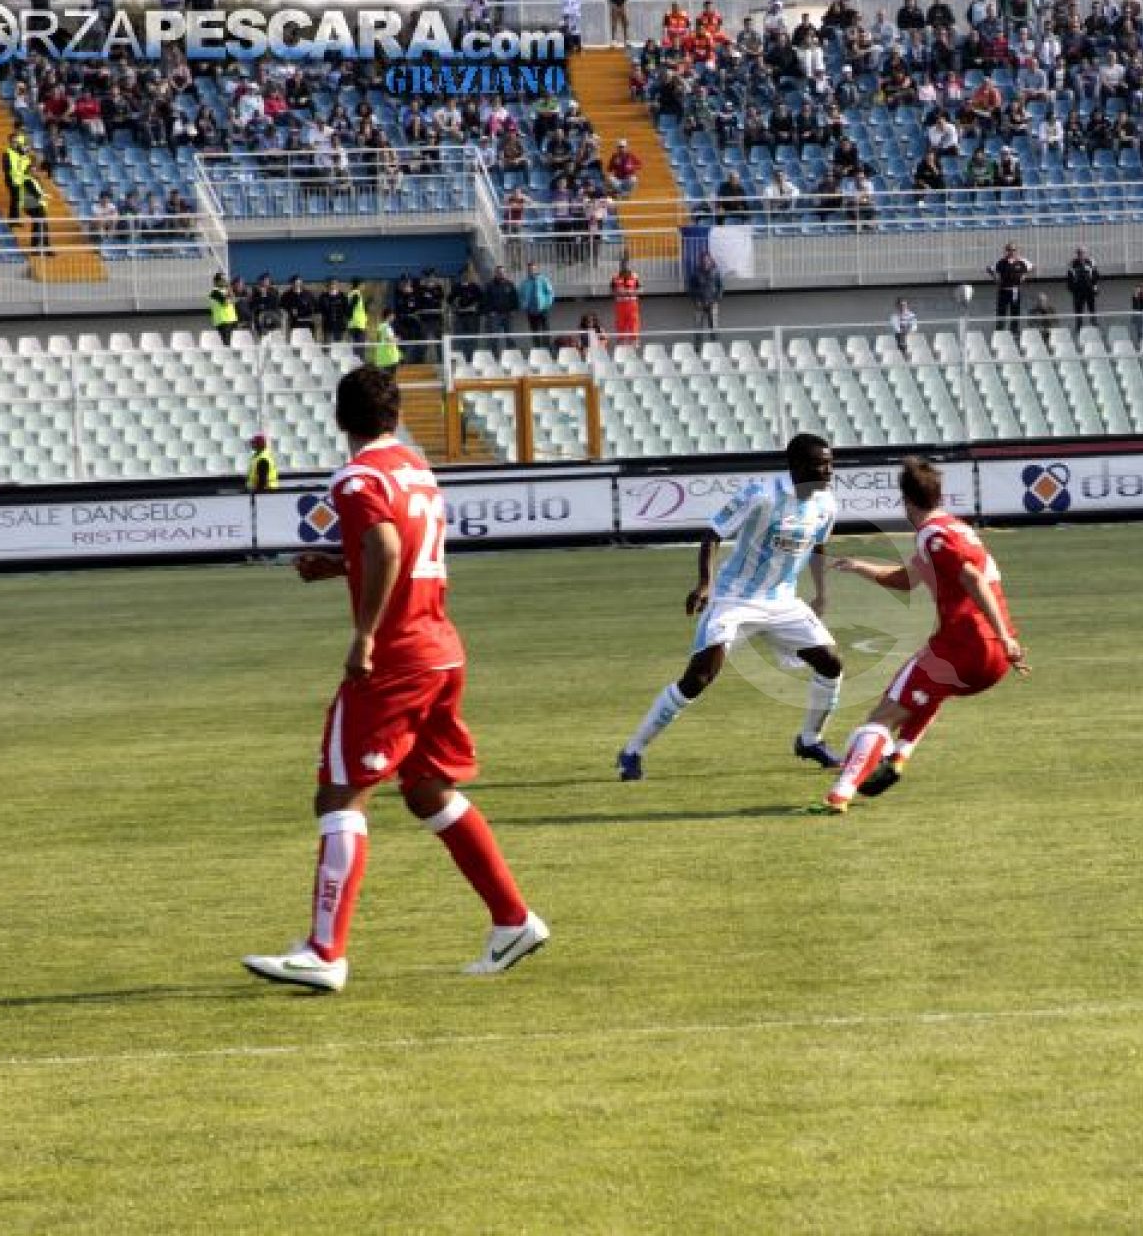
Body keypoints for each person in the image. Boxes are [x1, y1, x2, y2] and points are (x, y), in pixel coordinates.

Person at [242, 366, 549, 993]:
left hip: (399, 657)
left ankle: (324, 952)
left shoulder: (357, 477)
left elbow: (385, 546)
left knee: (340, 795)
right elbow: (403, 547)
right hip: (441, 651)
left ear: (339, 418)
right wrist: (339, 565)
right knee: (427, 791)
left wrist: (365, 636)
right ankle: (513, 920)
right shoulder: (415, 468)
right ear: (396, 416)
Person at [617, 434, 847, 781]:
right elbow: (713, 533)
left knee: (831, 664)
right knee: (699, 678)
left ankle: (810, 740)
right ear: (797, 465)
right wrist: (705, 584)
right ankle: (632, 751)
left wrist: (821, 593)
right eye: (820, 464)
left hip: (782, 602)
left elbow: (817, 546)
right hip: (734, 599)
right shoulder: (761, 494)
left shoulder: (826, 503)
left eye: (830, 464)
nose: (828, 471)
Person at [813, 456, 1026, 815]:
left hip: (965, 646)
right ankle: (899, 755)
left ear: (906, 501)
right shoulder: (954, 529)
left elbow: (972, 578)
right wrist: (859, 566)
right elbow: (906, 579)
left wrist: (1005, 636)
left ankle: (840, 793)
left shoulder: (935, 536)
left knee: (882, 716)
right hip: (991, 660)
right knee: (930, 691)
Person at [988, 241, 1034, 336]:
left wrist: (1025, 275)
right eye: (1009, 250)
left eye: (1013, 250)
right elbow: (989, 269)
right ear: (1006, 251)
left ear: (1016, 250)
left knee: (1015, 312)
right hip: (1003, 290)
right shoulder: (1001, 262)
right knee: (1001, 312)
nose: (1011, 252)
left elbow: (1032, 267)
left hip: (1015, 290)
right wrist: (995, 278)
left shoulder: (1021, 261)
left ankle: (1014, 331)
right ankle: (1000, 332)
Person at [688, 250, 724, 345]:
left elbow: (720, 287)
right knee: (698, 328)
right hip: (699, 304)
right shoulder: (695, 273)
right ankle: (697, 348)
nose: (705, 262)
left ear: (710, 260)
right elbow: (691, 289)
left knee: (714, 328)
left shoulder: (716, 272)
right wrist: (696, 300)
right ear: (700, 261)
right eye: (703, 260)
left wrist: (716, 300)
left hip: (712, 303)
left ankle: (715, 347)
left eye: (707, 260)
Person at [610, 257, 642, 342]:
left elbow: (641, 289)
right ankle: (621, 341)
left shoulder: (635, 276)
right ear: (620, 266)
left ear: (629, 265)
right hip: (620, 304)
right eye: (622, 264)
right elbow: (611, 291)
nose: (624, 266)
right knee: (620, 323)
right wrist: (618, 292)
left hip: (632, 303)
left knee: (633, 322)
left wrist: (631, 292)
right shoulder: (615, 277)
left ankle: (634, 340)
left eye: (626, 264)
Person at [1066, 247, 1100, 326]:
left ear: (1086, 253)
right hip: (1078, 292)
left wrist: (1095, 286)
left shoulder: (1091, 262)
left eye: (1083, 253)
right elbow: (1069, 278)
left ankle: (1094, 324)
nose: (1081, 255)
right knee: (1078, 311)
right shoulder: (1072, 264)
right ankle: (1079, 326)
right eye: (1079, 253)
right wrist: (1072, 290)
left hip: (1089, 290)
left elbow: (1096, 275)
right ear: (1077, 254)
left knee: (1092, 309)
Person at [208, 272, 239, 345]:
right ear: (216, 282)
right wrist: (230, 295)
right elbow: (226, 302)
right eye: (223, 279)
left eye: (225, 279)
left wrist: (230, 292)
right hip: (223, 321)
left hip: (231, 320)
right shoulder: (214, 292)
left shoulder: (225, 291)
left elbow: (234, 300)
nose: (225, 281)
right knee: (226, 343)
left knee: (234, 343)